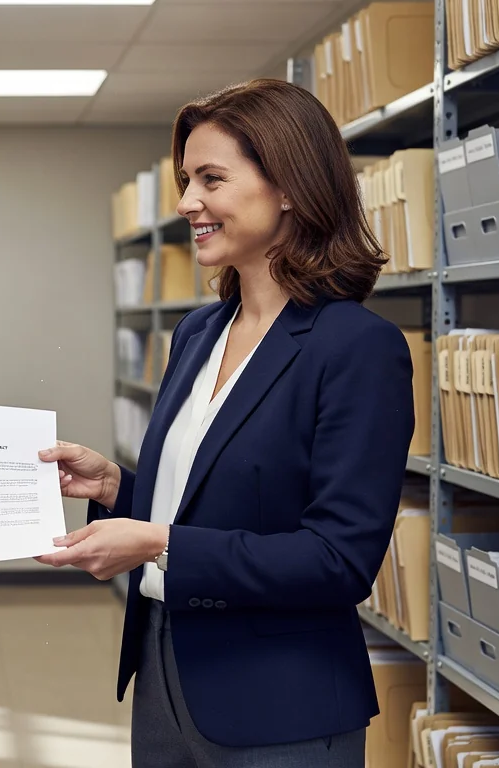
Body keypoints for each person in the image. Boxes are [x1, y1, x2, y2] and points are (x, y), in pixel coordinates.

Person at [37, 78, 414, 768]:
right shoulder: (200, 331)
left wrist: (154, 540)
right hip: (165, 674)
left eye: (211, 178)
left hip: (281, 703)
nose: (187, 203)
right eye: (186, 180)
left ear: (291, 186)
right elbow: (209, 497)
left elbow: (338, 559)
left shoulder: (355, 347)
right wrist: (117, 487)